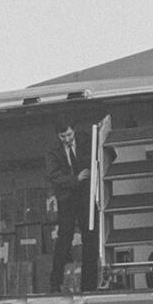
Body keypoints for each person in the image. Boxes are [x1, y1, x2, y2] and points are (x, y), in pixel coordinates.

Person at [47, 122, 93, 293]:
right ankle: (55, 283)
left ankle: (89, 284)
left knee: (89, 238)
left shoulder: (86, 141)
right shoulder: (53, 150)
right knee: (63, 240)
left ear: (74, 130)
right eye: (62, 137)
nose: (66, 139)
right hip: (67, 198)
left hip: (85, 196)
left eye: (69, 135)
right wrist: (76, 179)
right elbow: (54, 176)